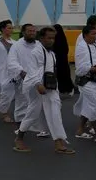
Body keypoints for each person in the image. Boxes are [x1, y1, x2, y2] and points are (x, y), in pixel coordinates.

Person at [14, 27, 75, 155]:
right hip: (36, 87)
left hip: (50, 87)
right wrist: (37, 84)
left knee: (54, 112)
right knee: (33, 113)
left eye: (53, 38)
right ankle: (19, 139)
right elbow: (31, 70)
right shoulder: (36, 52)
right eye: (49, 38)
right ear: (41, 38)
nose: (51, 41)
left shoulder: (51, 54)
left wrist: (54, 87)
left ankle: (59, 142)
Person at [7, 24, 49, 138]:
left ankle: (40, 128)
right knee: (21, 103)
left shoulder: (39, 45)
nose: (32, 33)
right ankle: (20, 127)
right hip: (22, 79)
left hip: (37, 80)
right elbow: (11, 62)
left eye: (34, 31)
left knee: (38, 105)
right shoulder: (16, 46)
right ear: (23, 32)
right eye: (29, 31)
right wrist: (21, 71)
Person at [73, 25, 96, 143]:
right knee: (93, 105)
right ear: (85, 35)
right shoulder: (81, 47)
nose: (95, 36)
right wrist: (93, 69)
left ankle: (80, 130)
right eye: (92, 34)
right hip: (86, 81)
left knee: (89, 104)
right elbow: (80, 68)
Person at [0, 20, 16, 122]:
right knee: (5, 93)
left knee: (15, 94)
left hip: (14, 72)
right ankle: (4, 113)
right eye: (9, 28)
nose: (11, 30)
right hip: (3, 72)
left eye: (11, 28)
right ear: (2, 29)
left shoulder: (15, 43)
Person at [53, 24, 74, 95]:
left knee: (64, 75)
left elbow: (65, 50)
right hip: (59, 60)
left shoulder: (60, 39)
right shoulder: (54, 39)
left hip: (62, 60)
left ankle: (67, 89)